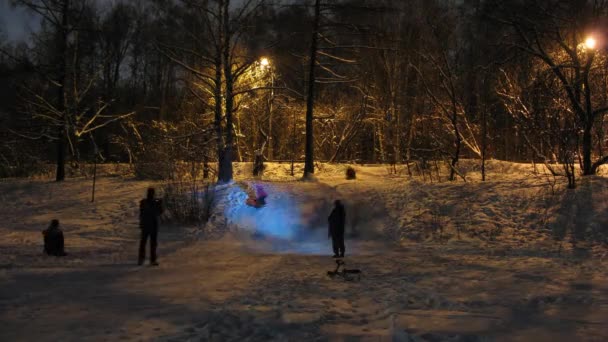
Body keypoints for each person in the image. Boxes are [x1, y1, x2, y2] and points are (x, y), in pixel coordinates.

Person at [138, 188, 163, 266]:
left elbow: (142, 212)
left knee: (144, 243)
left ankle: (142, 259)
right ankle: (152, 260)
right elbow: (159, 212)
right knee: (152, 244)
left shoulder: (143, 202)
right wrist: (160, 204)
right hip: (152, 225)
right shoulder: (154, 203)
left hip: (145, 225)